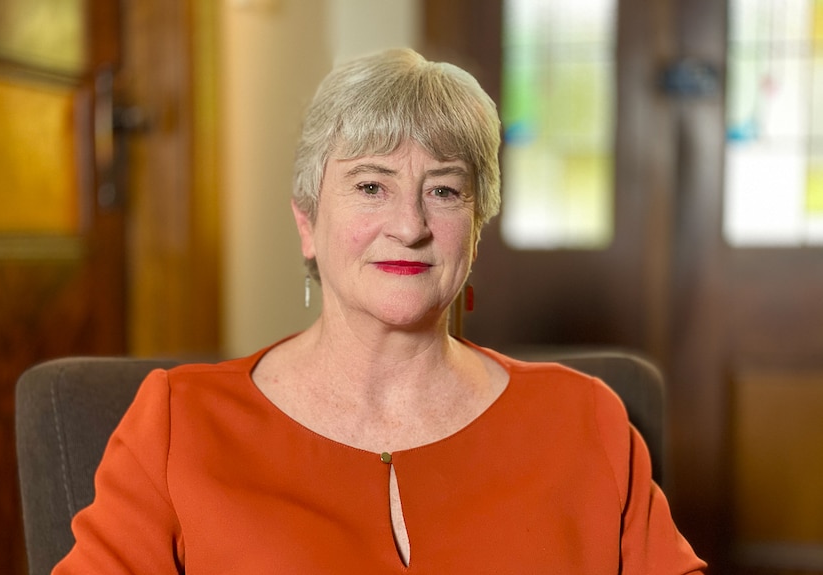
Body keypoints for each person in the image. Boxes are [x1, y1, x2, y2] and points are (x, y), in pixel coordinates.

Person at [53, 48, 706, 573]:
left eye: (444, 189)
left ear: (475, 227)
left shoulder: (583, 419)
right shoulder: (178, 423)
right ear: (307, 223)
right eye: (371, 185)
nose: (410, 224)